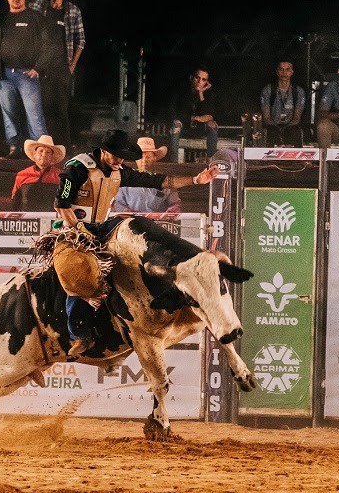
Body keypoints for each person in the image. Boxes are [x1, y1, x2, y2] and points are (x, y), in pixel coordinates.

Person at [54, 129, 219, 356]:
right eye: (116, 155)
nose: (119, 161)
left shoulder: (119, 172)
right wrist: (80, 231)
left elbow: (159, 181)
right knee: (77, 272)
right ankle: (79, 333)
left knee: (135, 230)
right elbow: (61, 205)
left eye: (122, 156)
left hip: (102, 226)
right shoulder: (77, 168)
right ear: (103, 151)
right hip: (74, 230)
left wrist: (195, 179)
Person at [0, 0, 48, 159]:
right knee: (8, 113)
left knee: (34, 114)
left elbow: (49, 45)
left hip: (27, 74)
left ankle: (40, 151)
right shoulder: (0, 20)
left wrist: (39, 67)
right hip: (4, 74)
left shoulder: (35, 18)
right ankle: (14, 147)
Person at [29, 0, 86, 145]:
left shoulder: (73, 10)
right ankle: (42, 148)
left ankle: (64, 150)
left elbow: (81, 40)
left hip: (62, 67)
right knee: (40, 110)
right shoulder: (37, 7)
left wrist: (72, 66)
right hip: (40, 67)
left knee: (60, 110)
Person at [111, 136, 181, 213]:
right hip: (131, 222)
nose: (144, 160)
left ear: (154, 158)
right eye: (140, 157)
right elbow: (118, 203)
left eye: (148, 157)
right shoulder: (125, 180)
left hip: (158, 222)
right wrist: (126, 212)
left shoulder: (165, 181)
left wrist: (174, 209)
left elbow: (175, 203)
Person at [168, 66, 218, 159]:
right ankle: (173, 162)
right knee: (176, 124)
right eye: (197, 78)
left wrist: (201, 93)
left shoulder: (209, 94)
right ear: (191, 78)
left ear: (206, 82)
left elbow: (210, 116)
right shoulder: (181, 92)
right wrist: (193, 118)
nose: (199, 82)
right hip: (183, 128)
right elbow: (172, 113)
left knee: (212, 124)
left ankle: (212, 160)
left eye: (203, 80)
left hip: (200, 129)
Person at [259, 60, 307, 147]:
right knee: (271, 132)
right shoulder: (268, 90)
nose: (284, 73)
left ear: (292, 72)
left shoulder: (298, 91)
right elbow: (266, 117)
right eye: (281, 69)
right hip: (273, 125)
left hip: (291, 126)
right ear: (277, 72)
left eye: (287, 69)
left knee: (294, 132)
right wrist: (277, 128)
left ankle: (296, 160)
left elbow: (297, 117)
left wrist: (286, 128)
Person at [10, 134, 66, 198]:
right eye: (41, 151)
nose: (44, 155)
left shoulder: (61, 177)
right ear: (34, 154)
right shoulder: (22, 175)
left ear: (52, 157)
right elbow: (15, 200)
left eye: (48, 152)